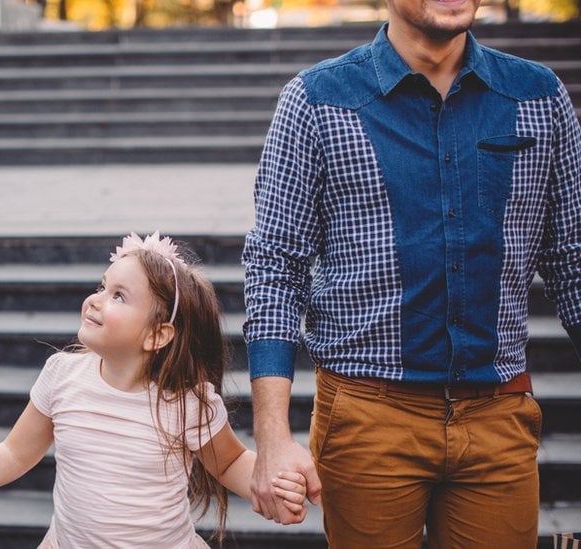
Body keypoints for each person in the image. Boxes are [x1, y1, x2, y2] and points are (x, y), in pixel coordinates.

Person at [243, 0, 581, 546]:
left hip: (498, 416)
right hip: (368, 416)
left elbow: (574, 259)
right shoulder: (316, 101)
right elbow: (276, 269)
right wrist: (273, 438)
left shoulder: (537, 96)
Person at [0, 232, 308, 547]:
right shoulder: (63, 375)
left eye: (117, 296)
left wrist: (277, 482)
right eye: (101, 286)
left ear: (157, 335)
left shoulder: (187, 403)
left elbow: (229, 464)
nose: (94, 300)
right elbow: (13, 453)